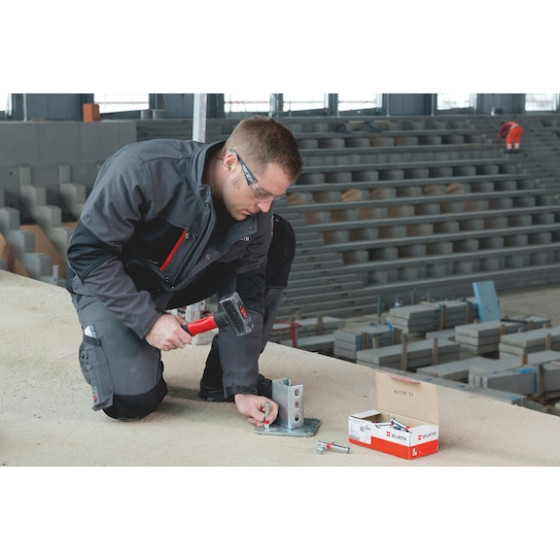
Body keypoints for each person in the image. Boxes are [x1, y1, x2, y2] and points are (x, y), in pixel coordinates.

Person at [65, 117, 303, 427]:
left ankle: (222, 377)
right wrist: (147, 320)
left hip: (182, 277)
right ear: (231, 162)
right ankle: (103, 347)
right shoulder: (141, 169)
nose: (265, 207)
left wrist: (242, 386)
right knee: (132, 401)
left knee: (278, 236)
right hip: (113, 280)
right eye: (260, 192)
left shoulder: (259, 215)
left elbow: (247, 293)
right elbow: (87, 253)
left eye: (275, 197)